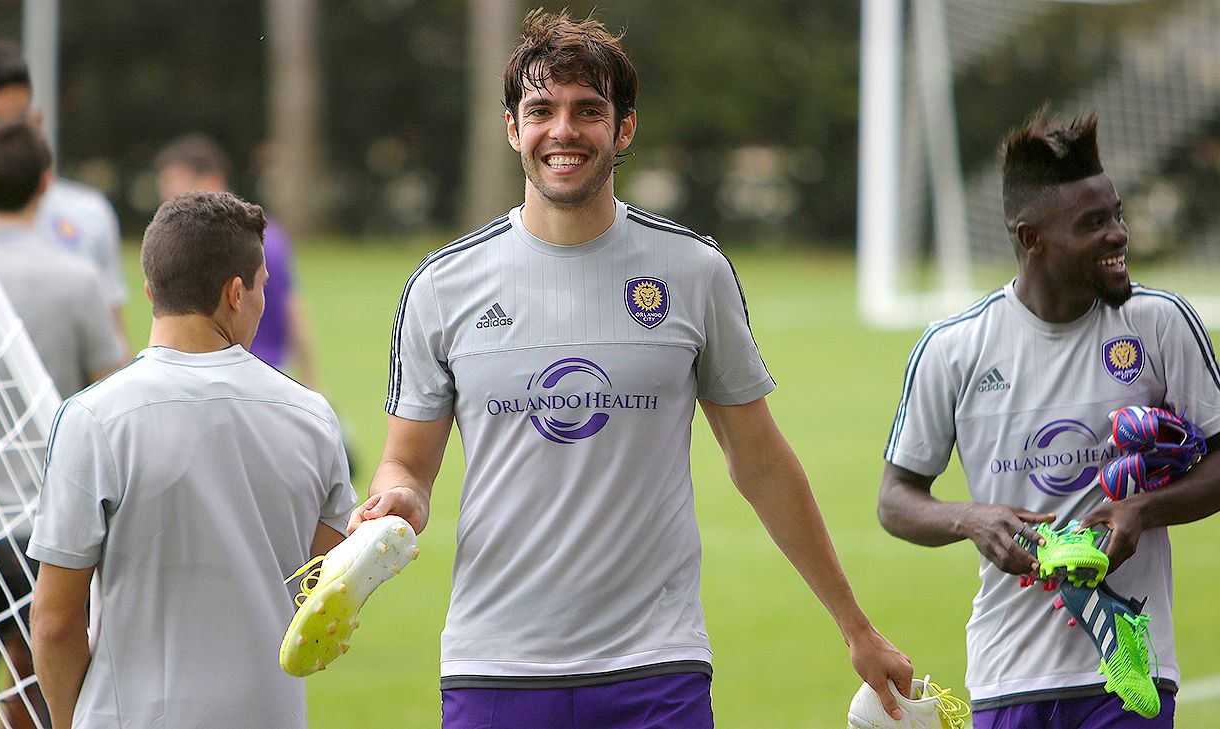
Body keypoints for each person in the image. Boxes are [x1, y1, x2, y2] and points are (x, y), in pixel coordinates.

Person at [351, 9, 912, 728]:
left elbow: (762, 461)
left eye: (589, 110)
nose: (564, 131)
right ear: (512, 129)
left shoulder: (692, 270)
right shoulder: (443, 285)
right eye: (541, 110)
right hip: (495, 666)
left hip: (657, 666)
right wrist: (399, 501)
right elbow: (406, 467)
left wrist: (855, 625)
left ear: (624, 129)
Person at [878, 108, 1220, 727]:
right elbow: (896, 499)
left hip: (1130, 676)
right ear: (1031, 237)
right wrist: (970, 519)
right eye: (1093, 224)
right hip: (1008, 672)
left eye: (1117, 214)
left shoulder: (1161, 324)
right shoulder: (955, 347)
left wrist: (1141, 509)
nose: (1118, 235)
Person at [27, 190, 357, 729]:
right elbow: (322, 584)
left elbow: (56, 621)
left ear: (150, 288)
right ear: (235, 292)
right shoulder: (314, 418)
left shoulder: (94, 419)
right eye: (262, 289)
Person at [0, 122, 125, 729]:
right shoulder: (78, 280)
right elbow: (110, 396)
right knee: (51, 707)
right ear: (46, 184)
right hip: (55, 531)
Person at [0, 39, 130, 351]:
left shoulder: (89, 215)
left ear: (36, 121)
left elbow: (112, 339)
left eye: (16, 121)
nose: (2, 136)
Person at [153, 133, 317, 385]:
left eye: (177, 191)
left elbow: (292, 310)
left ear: (211, 180)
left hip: (218, 379)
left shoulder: (195, 249)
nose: (170, 204)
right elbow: (293, 309)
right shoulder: (268, 234)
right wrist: (311, 382)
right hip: (274, 377)